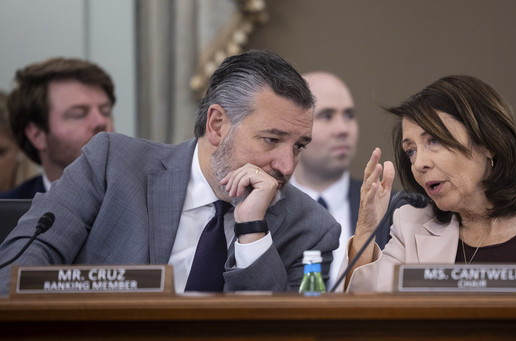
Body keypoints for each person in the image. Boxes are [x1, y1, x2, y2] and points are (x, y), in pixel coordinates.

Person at [0, 50, 340, 295]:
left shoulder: (311, 228)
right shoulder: (112, 165)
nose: (286, 165)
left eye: (299, 146)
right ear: (217, 125)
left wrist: (252, 230)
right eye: (271, 140)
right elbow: (15, 273)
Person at [343, 75, 516, 294]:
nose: (419, 163)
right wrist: (367, 228)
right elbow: (366, 322)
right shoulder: (410, 224)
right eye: (411, 150)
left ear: (488, 144)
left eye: (434, 141)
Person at [290, 72, 389, 287]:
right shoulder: (265, 208)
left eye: (349, 115)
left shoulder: (394, 210)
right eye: (327, 116)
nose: (343, 129)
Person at [0, 57, 115, 199]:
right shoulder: (8, 213)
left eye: (105, 111)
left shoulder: (145, 202)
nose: (100, 121)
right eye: (78, 114)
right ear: (37, 135)